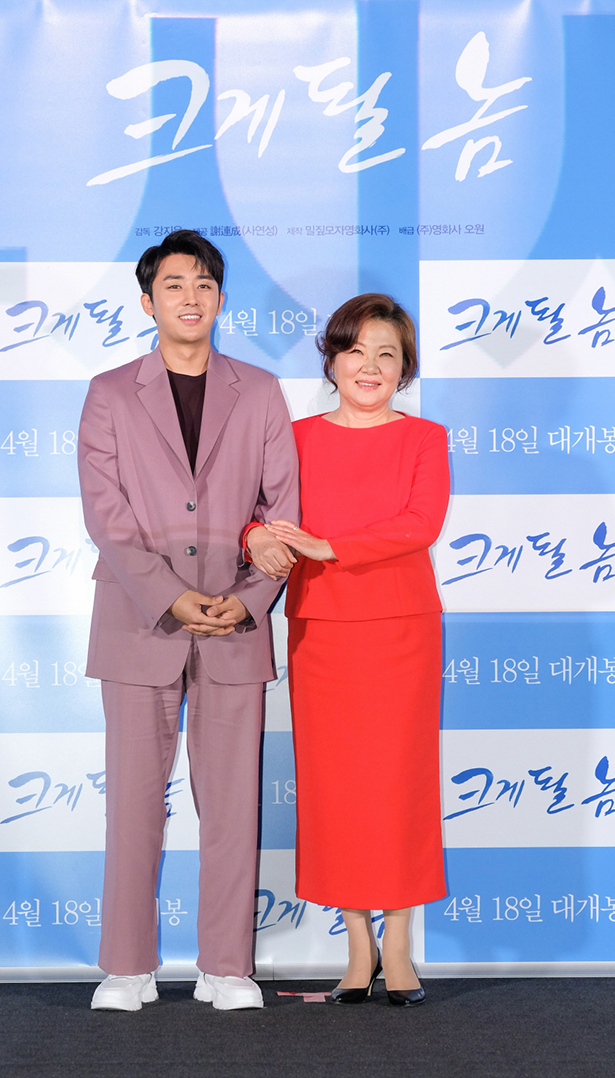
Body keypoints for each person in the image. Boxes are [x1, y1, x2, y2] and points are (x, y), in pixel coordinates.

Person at [78, 230, 299, 1012]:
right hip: (140, 621)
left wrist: (251, 595)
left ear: (222, 299)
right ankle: (127, 967)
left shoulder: (261, 391)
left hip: (236, 620)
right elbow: (106, 516)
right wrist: (170, 595)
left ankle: (226, 967)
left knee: (233, 805)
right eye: (174, 284)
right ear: (148, 302)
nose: (191, 297)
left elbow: (282, 510)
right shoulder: (110, 393)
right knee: (135, 803)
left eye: (205, 284)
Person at [247, 294, 449, 1006]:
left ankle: (399, 946)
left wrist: (331, 545)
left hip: (402, 631)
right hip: (322, 630)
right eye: (356, 351)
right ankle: (358, 947)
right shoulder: (294, 437)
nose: (370, 366)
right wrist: (256, 535)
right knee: (336, 789)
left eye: (386, 354)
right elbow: (254, 511)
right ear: (331, 360)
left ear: (404, 368)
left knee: (400, 786)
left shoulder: (424, 438)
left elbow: (421, 523)